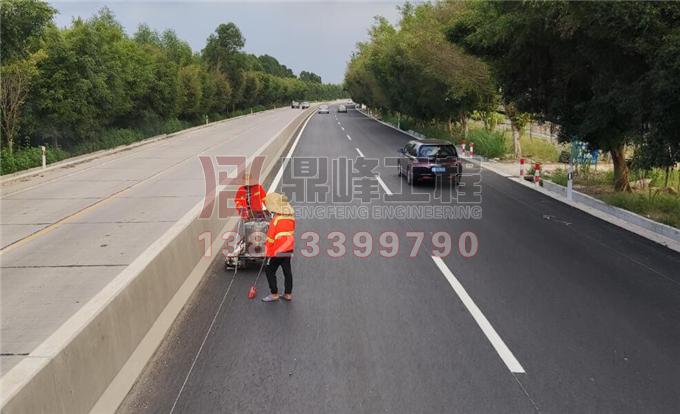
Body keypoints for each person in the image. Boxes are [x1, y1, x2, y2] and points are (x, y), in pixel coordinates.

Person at [260, 193, 295, 302]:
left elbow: (270, 239)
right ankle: (288, 294)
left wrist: (268, 253)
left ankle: (274, 294)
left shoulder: (276, 220)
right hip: (289, 249)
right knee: (287, 271)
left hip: (278, 250)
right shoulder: (291, 218)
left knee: (269, 270)